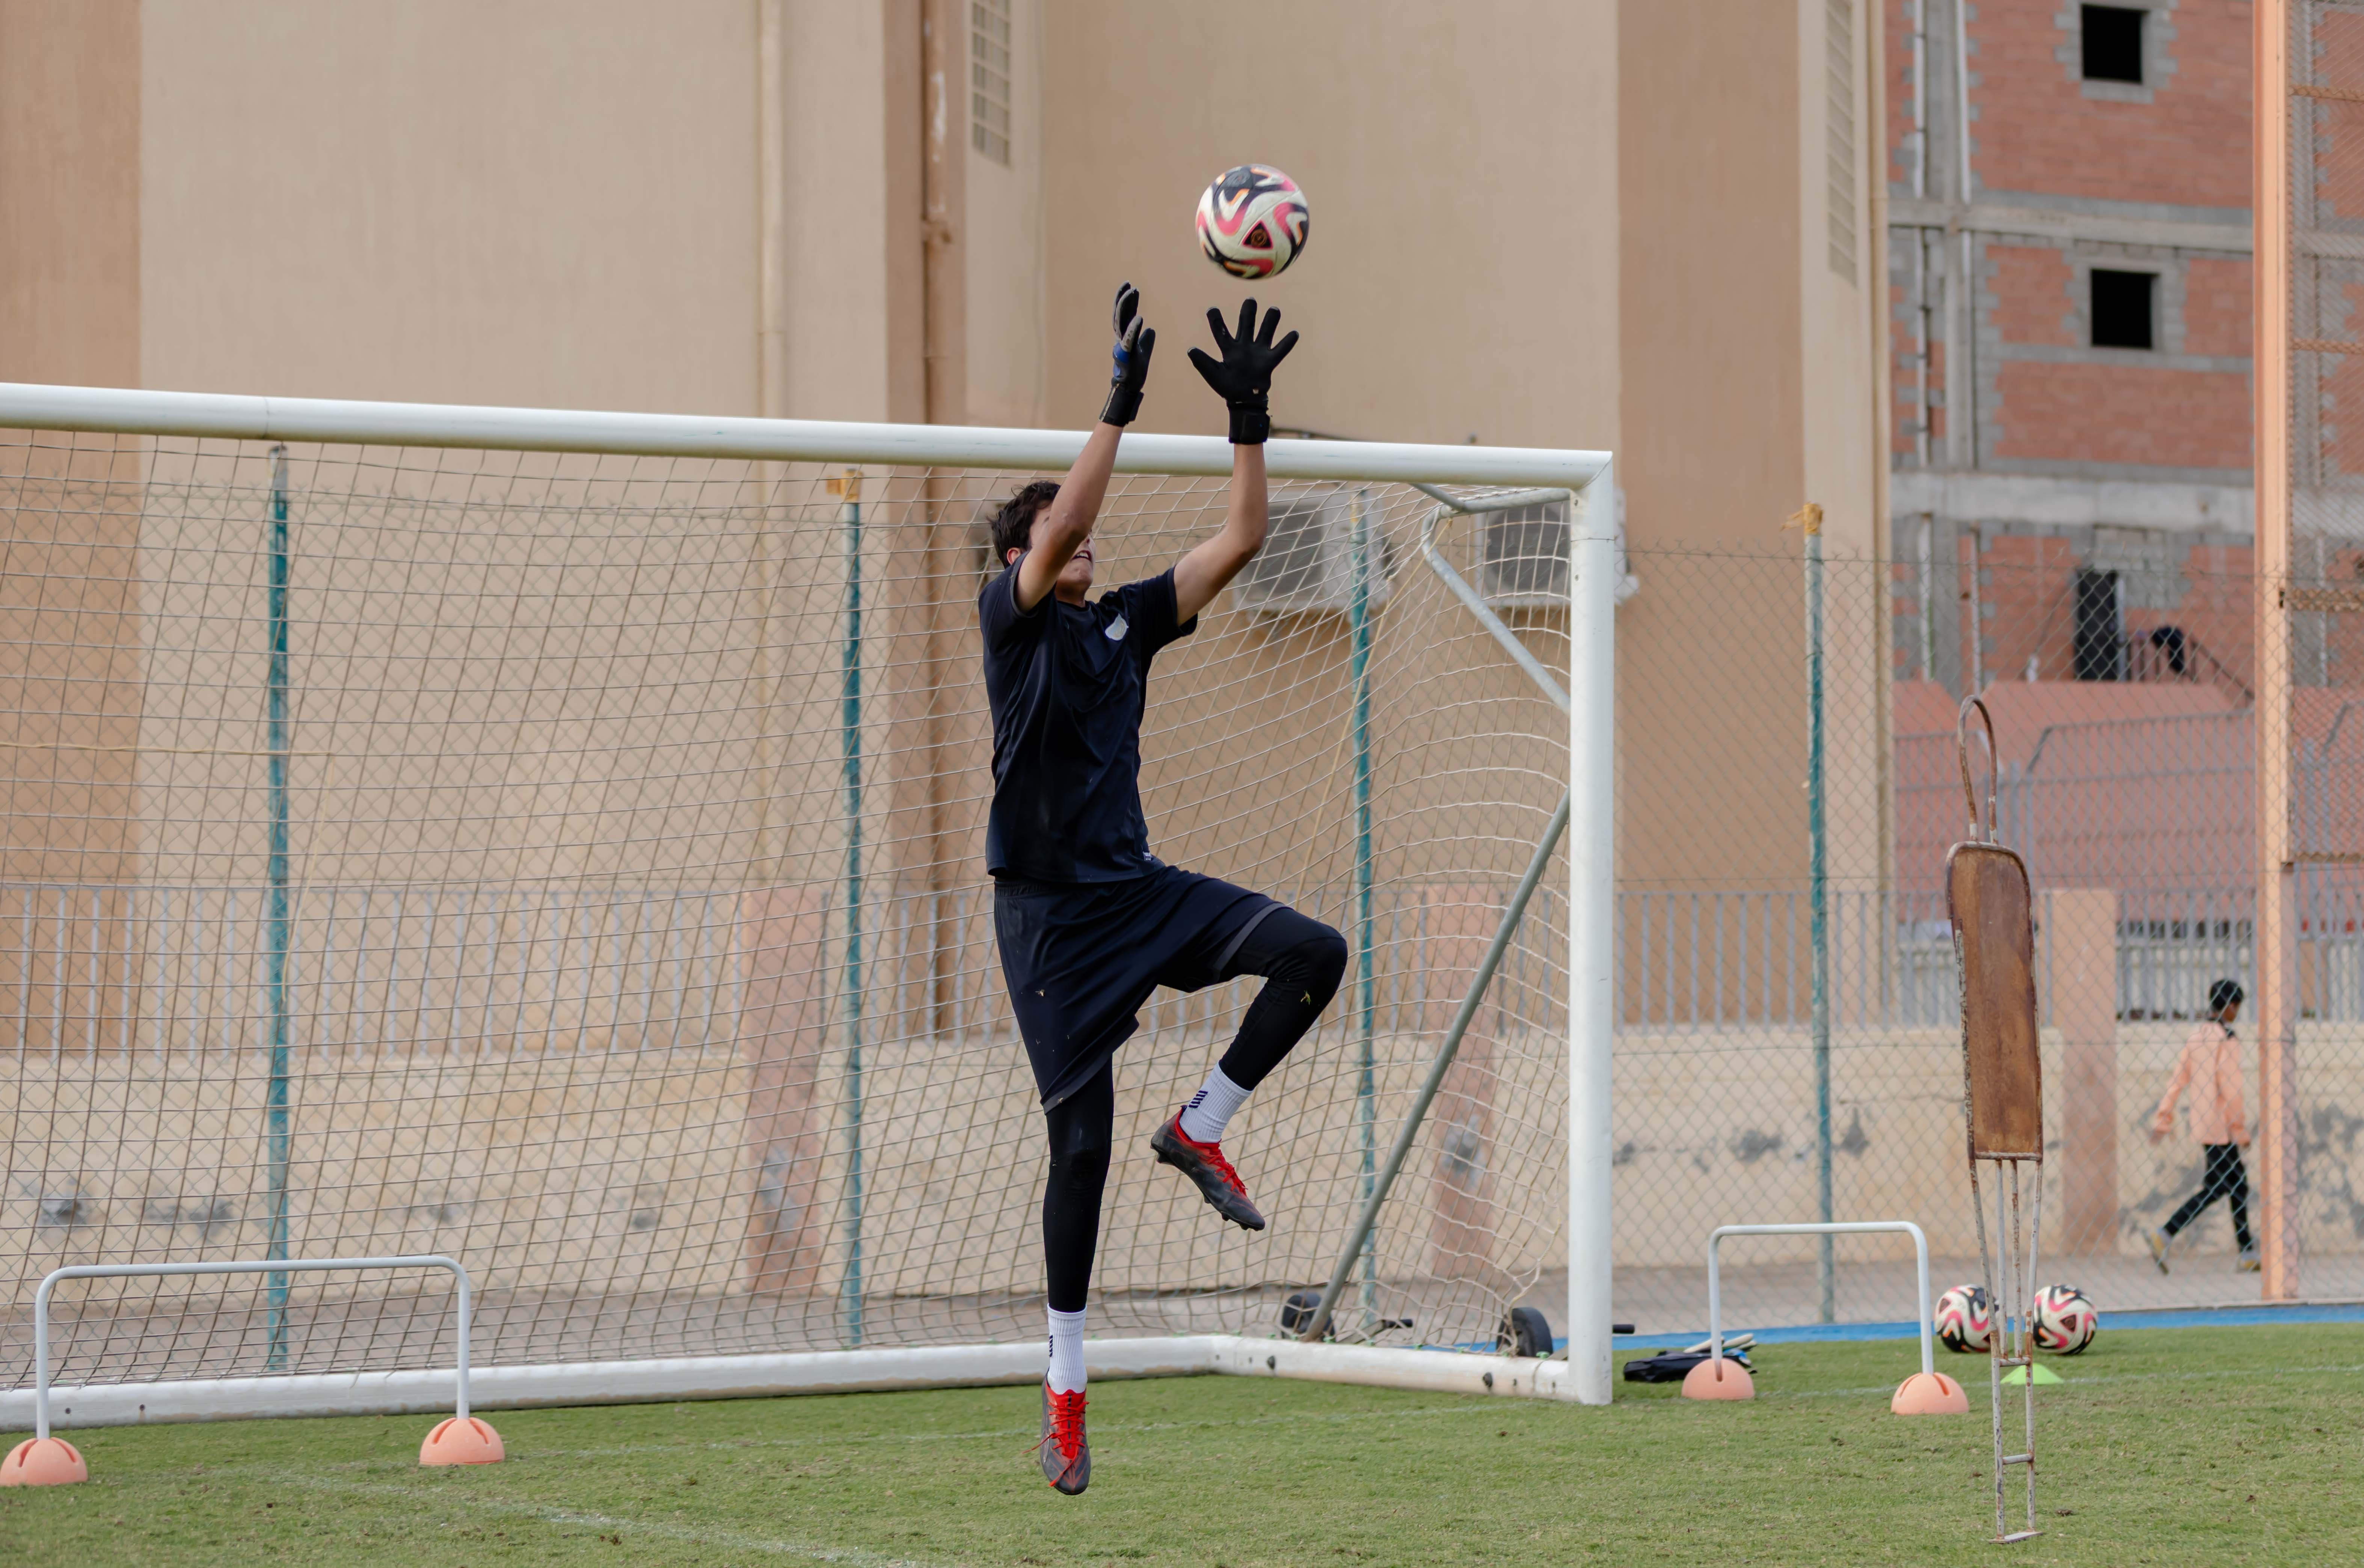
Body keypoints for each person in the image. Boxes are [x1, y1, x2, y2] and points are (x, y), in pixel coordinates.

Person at [979, 283, 1347, 1495]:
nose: (1082, 537)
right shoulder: (1012, 625)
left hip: (1137, 891)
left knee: (1314, 949)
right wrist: (1114, 411)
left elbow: (1238, 542)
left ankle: (1201, 1124)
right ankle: (1067, 1399)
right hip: (1048, 924)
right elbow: (1065, 516)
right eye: (1058, 532)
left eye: (1082, 530)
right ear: (1024, 558)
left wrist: (1248, 420)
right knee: (1076, 1147)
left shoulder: (1128, 622)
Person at [2146, 979, 2257, 1275]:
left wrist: (2163, 1117)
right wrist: (2240, 1130)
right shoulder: (2227, 1039)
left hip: (2202, 1124)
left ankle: (2247, 1252)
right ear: (2231, 1006)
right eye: (2237, 1007)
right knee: (2221, 1186)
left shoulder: (2196, 1038)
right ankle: (2165, 1233)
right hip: (2221, 1126)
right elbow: (2231, 1089)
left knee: (2234, 1185)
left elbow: (2177, 1080)